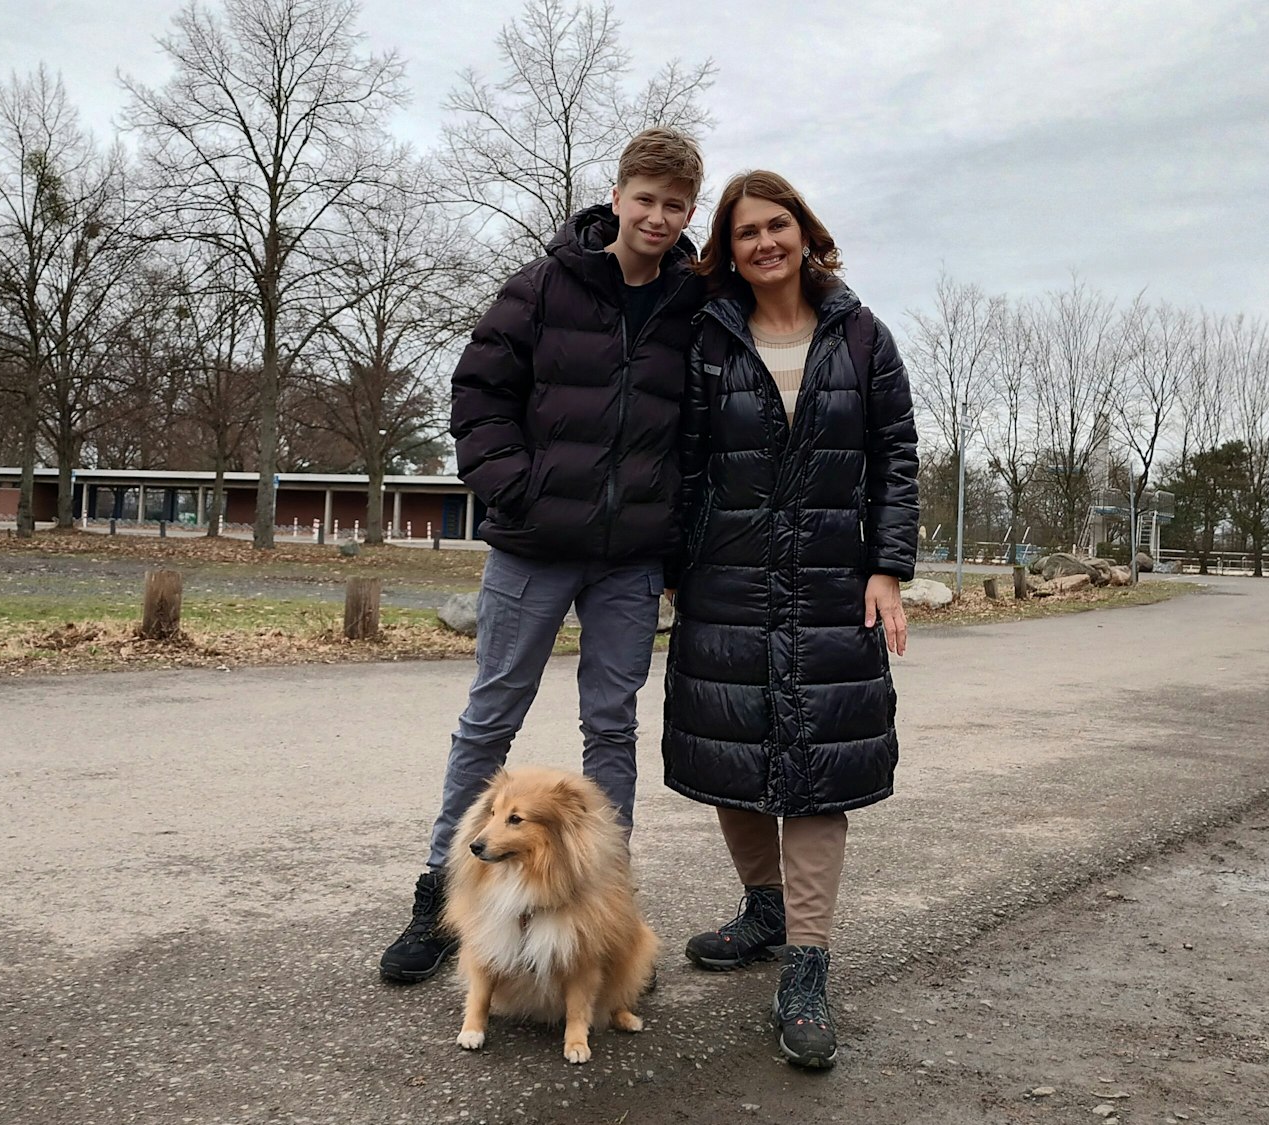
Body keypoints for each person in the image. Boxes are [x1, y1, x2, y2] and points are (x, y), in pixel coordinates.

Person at [379, 127, 708, 984]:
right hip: (533, 547)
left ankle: (606, 900)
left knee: (612, 725)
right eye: (647, 199)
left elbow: (701, 426)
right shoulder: (541, 286)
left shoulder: (694, 307)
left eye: (677, 205)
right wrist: (511, 484)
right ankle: (441, 893)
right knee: (490, 717)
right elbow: (478, 389)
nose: (660, 217)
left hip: (631, 558)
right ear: (619, 195)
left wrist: (673, 534)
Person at [662, 170, 920, 1068]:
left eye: (778, 225)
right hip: (725, 578)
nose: (764, 243)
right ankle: (763, 907)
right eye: (745, 233)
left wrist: (888, 566)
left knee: (816, 768)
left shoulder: (861, 336)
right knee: (733, 748)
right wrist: (671, 568)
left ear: (805, 231)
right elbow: (682, 459)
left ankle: (806, 964)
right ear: (726, 250)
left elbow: (896, 455)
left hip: (829, 582)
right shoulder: (706, 340)